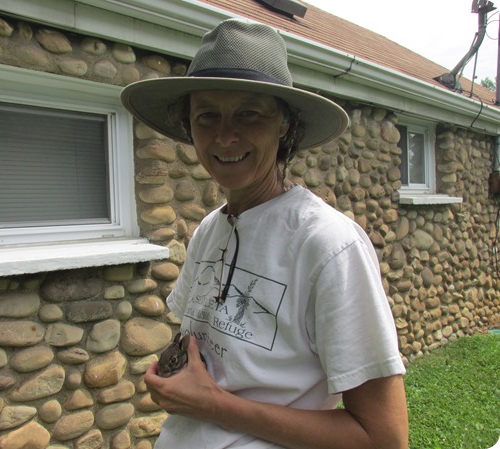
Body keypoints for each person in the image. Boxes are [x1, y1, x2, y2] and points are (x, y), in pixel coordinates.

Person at [120, 18, 408, 449]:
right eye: (207, 116)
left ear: (284, 123)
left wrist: (214, 405)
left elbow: (384, 437)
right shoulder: (210, 230)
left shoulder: (327, 244)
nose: (225, 136)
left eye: (249, 113)